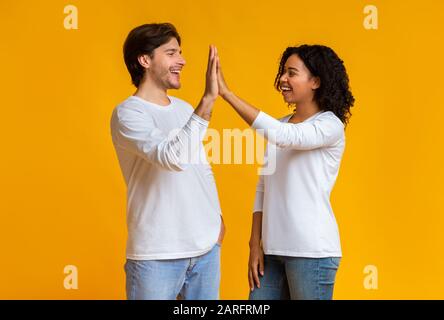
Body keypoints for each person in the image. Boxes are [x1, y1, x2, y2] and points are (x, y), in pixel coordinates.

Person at [215, 44, 354, 300]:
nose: (282, 80)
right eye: (283, 72)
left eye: (292, 73)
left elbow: (286, 137)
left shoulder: (329, 125)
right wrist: (254, 244)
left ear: (315, 81)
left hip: (312, 252)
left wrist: (227, 94)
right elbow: (263, 187)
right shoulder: (279, 124)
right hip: (271, 252)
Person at [110, 23, 225, 300]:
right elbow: (172, 157)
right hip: (156, 256)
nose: (182, 61)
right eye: (172, 53)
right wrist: (208, 100)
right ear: (145, 60)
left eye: (180, 53)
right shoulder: (128, 114)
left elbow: (200, 167)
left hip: (205, 252)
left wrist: (216, 220)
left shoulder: (185, 109)